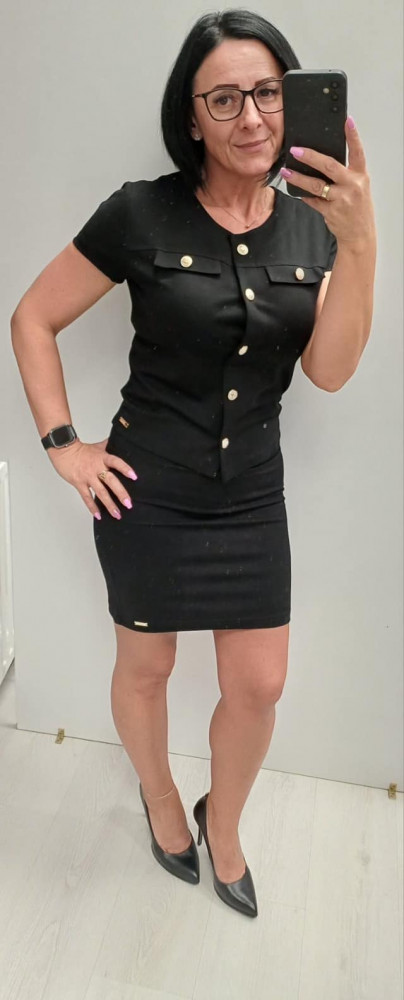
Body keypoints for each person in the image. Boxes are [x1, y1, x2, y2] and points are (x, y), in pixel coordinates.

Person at [9, 10, 377, 919]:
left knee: (260, 686)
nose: (252, 117)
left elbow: (330, 372)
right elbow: (33, 318)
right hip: (146, 489)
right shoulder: (141, 212)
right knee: (146, 670)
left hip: (251, 494)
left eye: (268, 93)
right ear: (192, 116)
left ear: (292, 100)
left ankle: (227, 821)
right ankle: (163, 800)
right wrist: (64, 445)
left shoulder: (316, 228)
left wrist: (363, 241)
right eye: (225, 99)